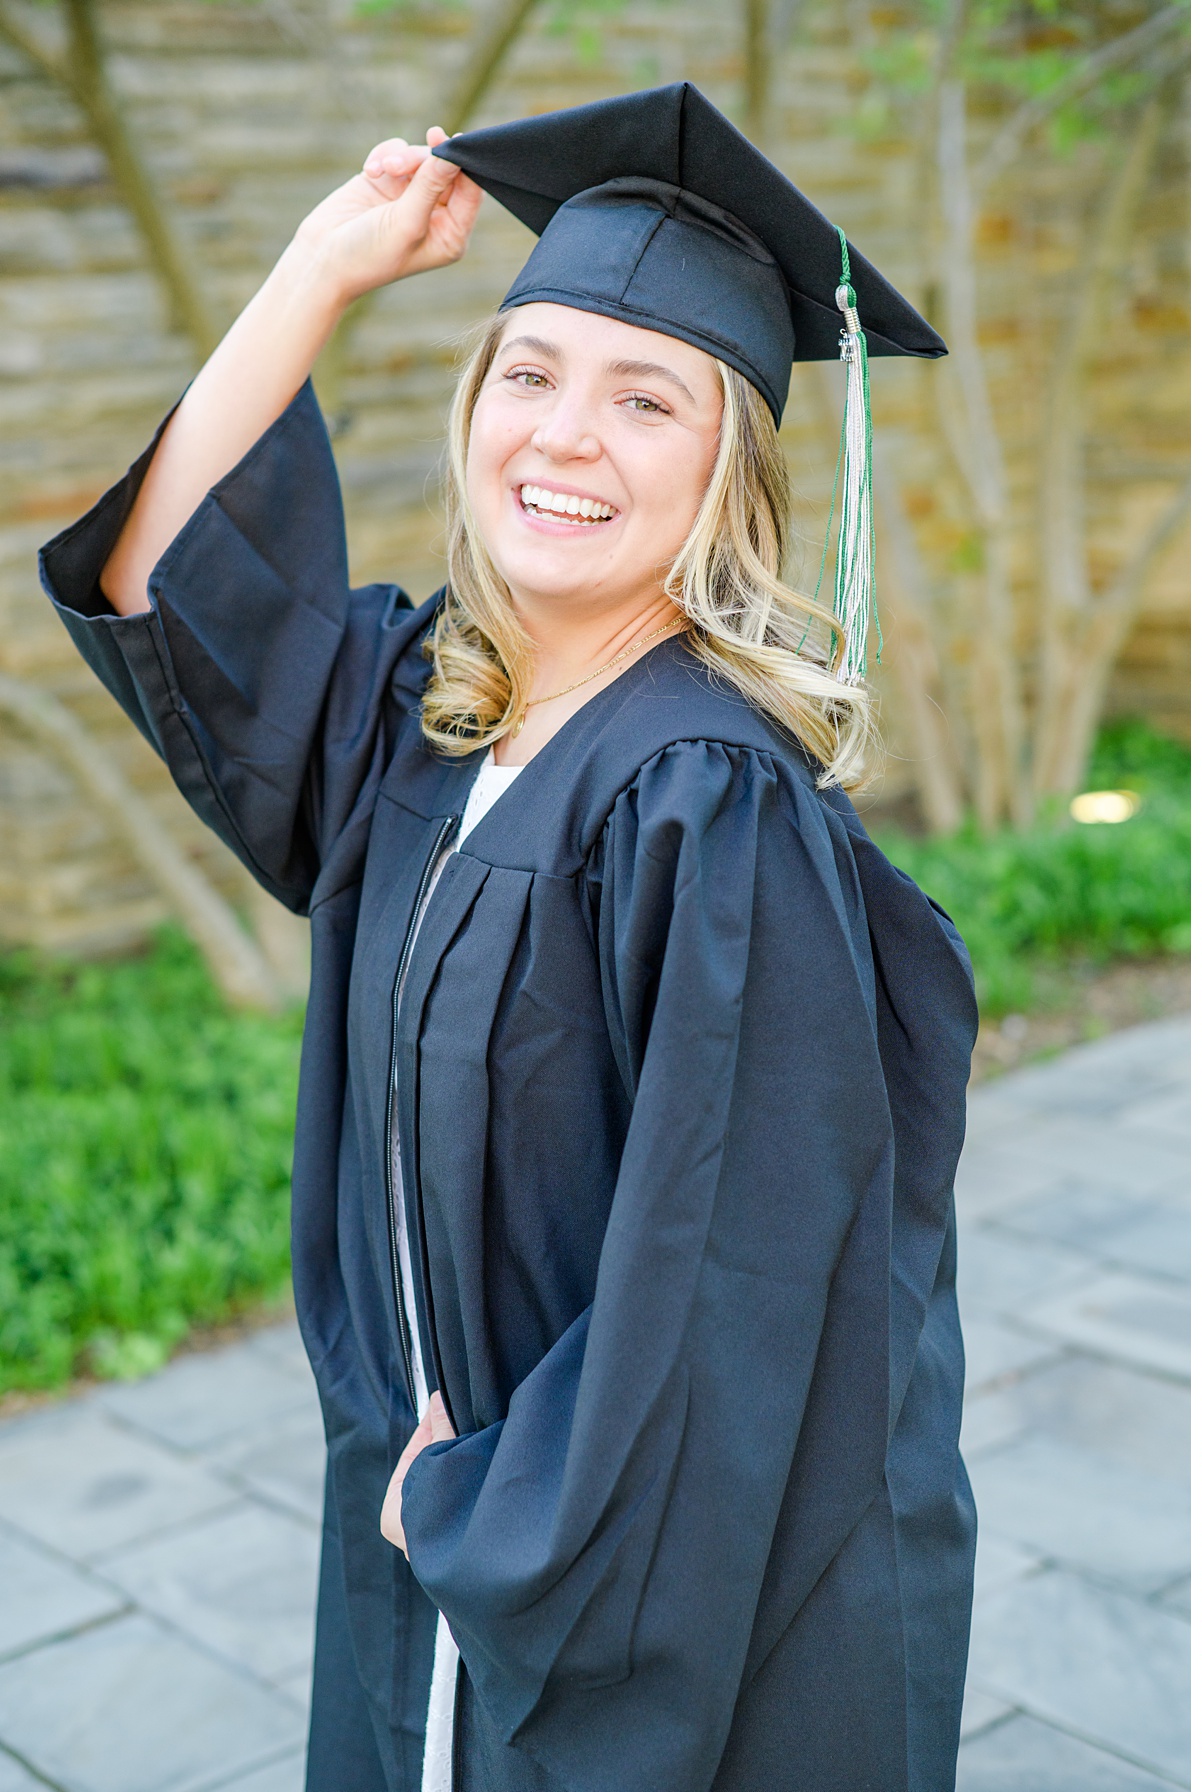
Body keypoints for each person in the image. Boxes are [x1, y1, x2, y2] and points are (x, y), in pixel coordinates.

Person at [37, 83, 976, 1792]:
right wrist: (324, 266)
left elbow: (738, 1274)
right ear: (473, 407)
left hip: (601, 1567)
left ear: (729, 468)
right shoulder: (429, 719)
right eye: (527, 374)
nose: (565, 435)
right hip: (437, 1517)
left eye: (646, 399)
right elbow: (170, 576)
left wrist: (488, 1506)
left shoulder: (710, 801)